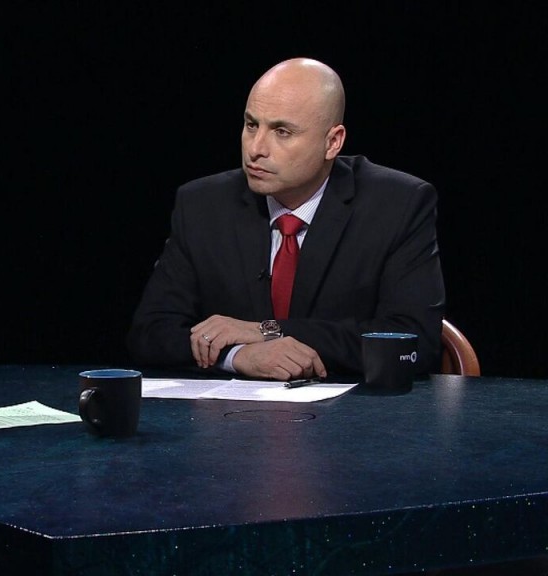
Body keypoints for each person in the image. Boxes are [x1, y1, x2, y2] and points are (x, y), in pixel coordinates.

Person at [127, 57, 445, 380]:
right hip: (230, 422)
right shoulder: (202, 206)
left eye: (282, 131)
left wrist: (267, 331)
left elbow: (413, 342)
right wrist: (237, 355)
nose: (256, 148)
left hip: (352, 419)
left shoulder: (397, 205)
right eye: (251, 125)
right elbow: (151, 332)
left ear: (332, 142)